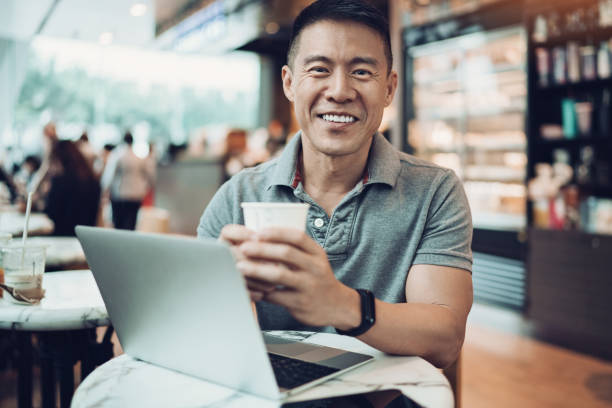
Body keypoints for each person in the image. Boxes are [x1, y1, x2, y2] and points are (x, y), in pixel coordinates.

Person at [198, 0, 472, 371]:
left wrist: (339, 304)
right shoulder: (238, 197)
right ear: (289, 83)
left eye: (361, 72)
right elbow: (204, 338)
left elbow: (445, 337)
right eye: (319, 69)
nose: (339, 91)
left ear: (389, 88)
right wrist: (223, 292)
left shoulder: (435, 193)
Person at [101, 131, 155, 230]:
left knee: (118, 225)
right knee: (131, 225)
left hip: (119, 195)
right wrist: (145, 188)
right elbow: (150, 176)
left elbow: (109, 176)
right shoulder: (139, 158)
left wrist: (105, 189)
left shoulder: (117, 156)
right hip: (136, 195)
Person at [44, 140, 100, 236]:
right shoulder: (93, 180)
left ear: (59, 159)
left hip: (61, 236)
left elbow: (50, 213)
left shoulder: (59, 181)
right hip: (85, 237)